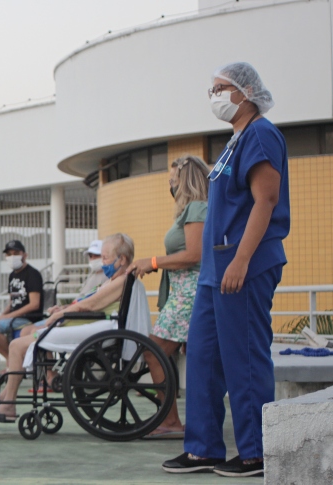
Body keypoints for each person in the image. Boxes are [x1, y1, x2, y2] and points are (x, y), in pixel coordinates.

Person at [161, 62, 289, 478]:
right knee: (202, 355)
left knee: (244, 357)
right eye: (212, 88)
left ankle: (255, 452)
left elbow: (265, 202)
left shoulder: (262, 134)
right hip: (215, 271)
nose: (213, 95)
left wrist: (241, 258)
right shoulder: (232, 142)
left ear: (246, 92)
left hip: (244, 265)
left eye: (221, 87)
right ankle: (203, 448)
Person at [0, 233, 135, 418]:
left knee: (16, 345)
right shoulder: (115, 280)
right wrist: (64, 308)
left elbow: (90, 305)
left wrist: (60, 314)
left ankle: (8, 404)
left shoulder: (120, 280)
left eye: (105, 257)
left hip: (85, 327)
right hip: (82, 324)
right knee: (18, 344)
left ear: (122, 259)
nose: (102, 262)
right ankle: (6, 398)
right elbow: (88, 302)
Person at [127, 155, 209, 439]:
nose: (170, 185)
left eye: (172, 180)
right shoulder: (191, 210)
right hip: (183, 291)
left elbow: (193, 256)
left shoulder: (197, 208)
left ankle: (171, 421)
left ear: (185, 180)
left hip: (190, 291)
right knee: (162, 351)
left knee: (154, 350)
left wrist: (152, 262)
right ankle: (171, 418)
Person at [0, 240, 43, 364]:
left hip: (28, 318)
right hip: (13, 317)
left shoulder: (33, 274)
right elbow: (12, 302)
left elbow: (34, 304)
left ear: (25, 255)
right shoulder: (12, 275)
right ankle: (11, 359)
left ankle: (13, 361)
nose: (12, 257)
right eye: (9, 254)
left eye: (16, 253)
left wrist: (8, 316)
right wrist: (2, 315)